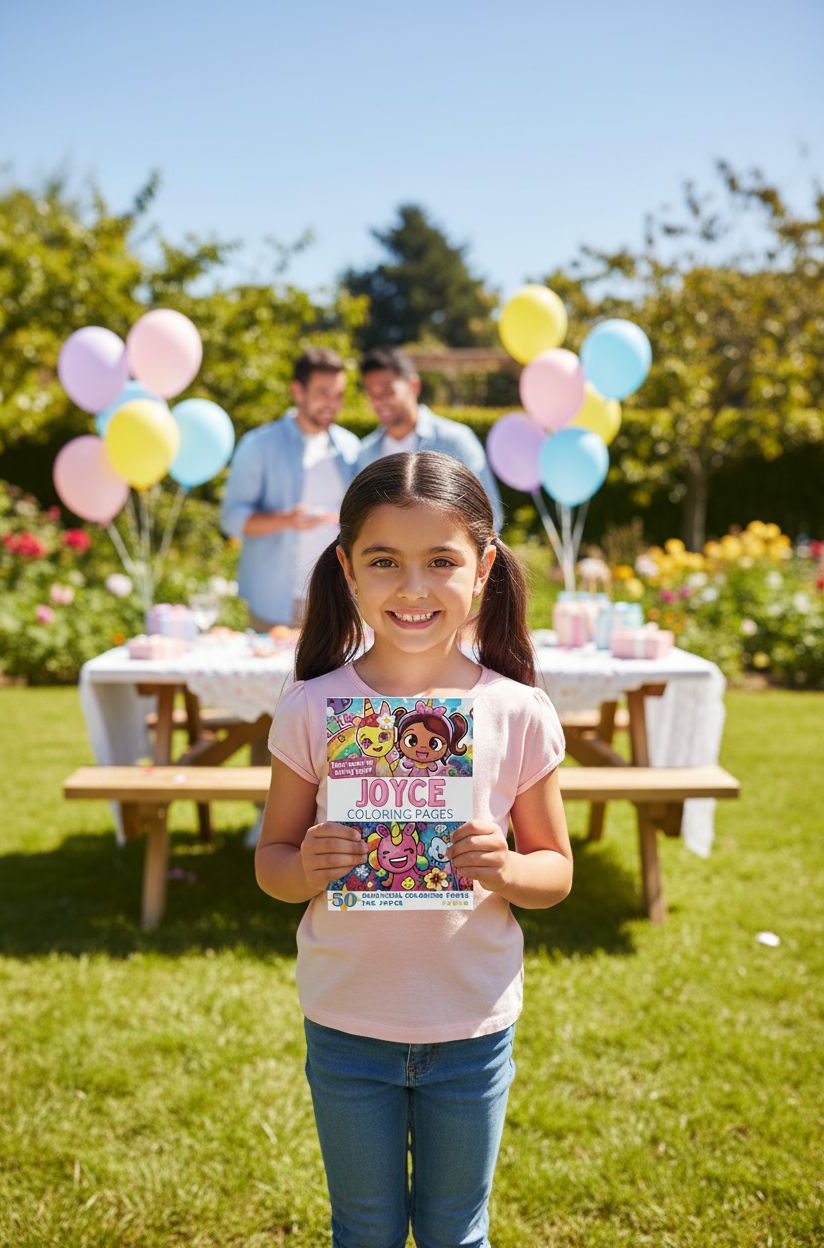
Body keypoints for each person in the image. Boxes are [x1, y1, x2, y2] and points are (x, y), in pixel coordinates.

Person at [255, 451, 571, 1247]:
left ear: (484, 569)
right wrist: (306, 867)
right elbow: (273, 861)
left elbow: (555, 871)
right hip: (347, 1023)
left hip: (471, 1028)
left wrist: (506, 868)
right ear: (348, 571)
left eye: (442, 561)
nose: (414, 587)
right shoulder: (313, 707)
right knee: (361, 1229)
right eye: (385, 561)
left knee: (456, 1231)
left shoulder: (518, 711)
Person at [220, 347, 359, 631]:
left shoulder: (351, 448)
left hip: (338, 598)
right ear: (298, 391)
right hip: (276, 602)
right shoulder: (258, 445)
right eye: (322, 393)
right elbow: (231, 518)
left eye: (338, 395)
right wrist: (287, 520)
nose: (331, 403)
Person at [355, 346, 505, 530]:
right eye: (372, 393)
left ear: (413, 386)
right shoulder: (365, 453)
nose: (380, 401)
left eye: (388, 391)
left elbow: (490, 514)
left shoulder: (455, 440)